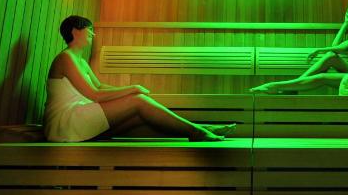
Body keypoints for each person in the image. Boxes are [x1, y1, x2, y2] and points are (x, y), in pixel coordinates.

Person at [44, 15, 235, 142]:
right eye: (90, 29)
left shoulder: (80, 61)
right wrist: (132, 89)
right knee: (138, 101)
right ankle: (197, 131)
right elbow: (95, 95)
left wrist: (129, 92)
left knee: (138, 116)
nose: (93, 34)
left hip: (79, 118)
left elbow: (100, 86)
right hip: (65, 123)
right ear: (75, 31)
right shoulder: (65, 58)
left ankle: (198, 128)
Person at [249, 0, 348, 96]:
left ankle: (276, 86)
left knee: (322, 77)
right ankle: (293, 87)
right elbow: (335, 47)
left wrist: (320, 49)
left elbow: (345, 47)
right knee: (330, 57)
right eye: (347, 11)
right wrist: (345, 24)